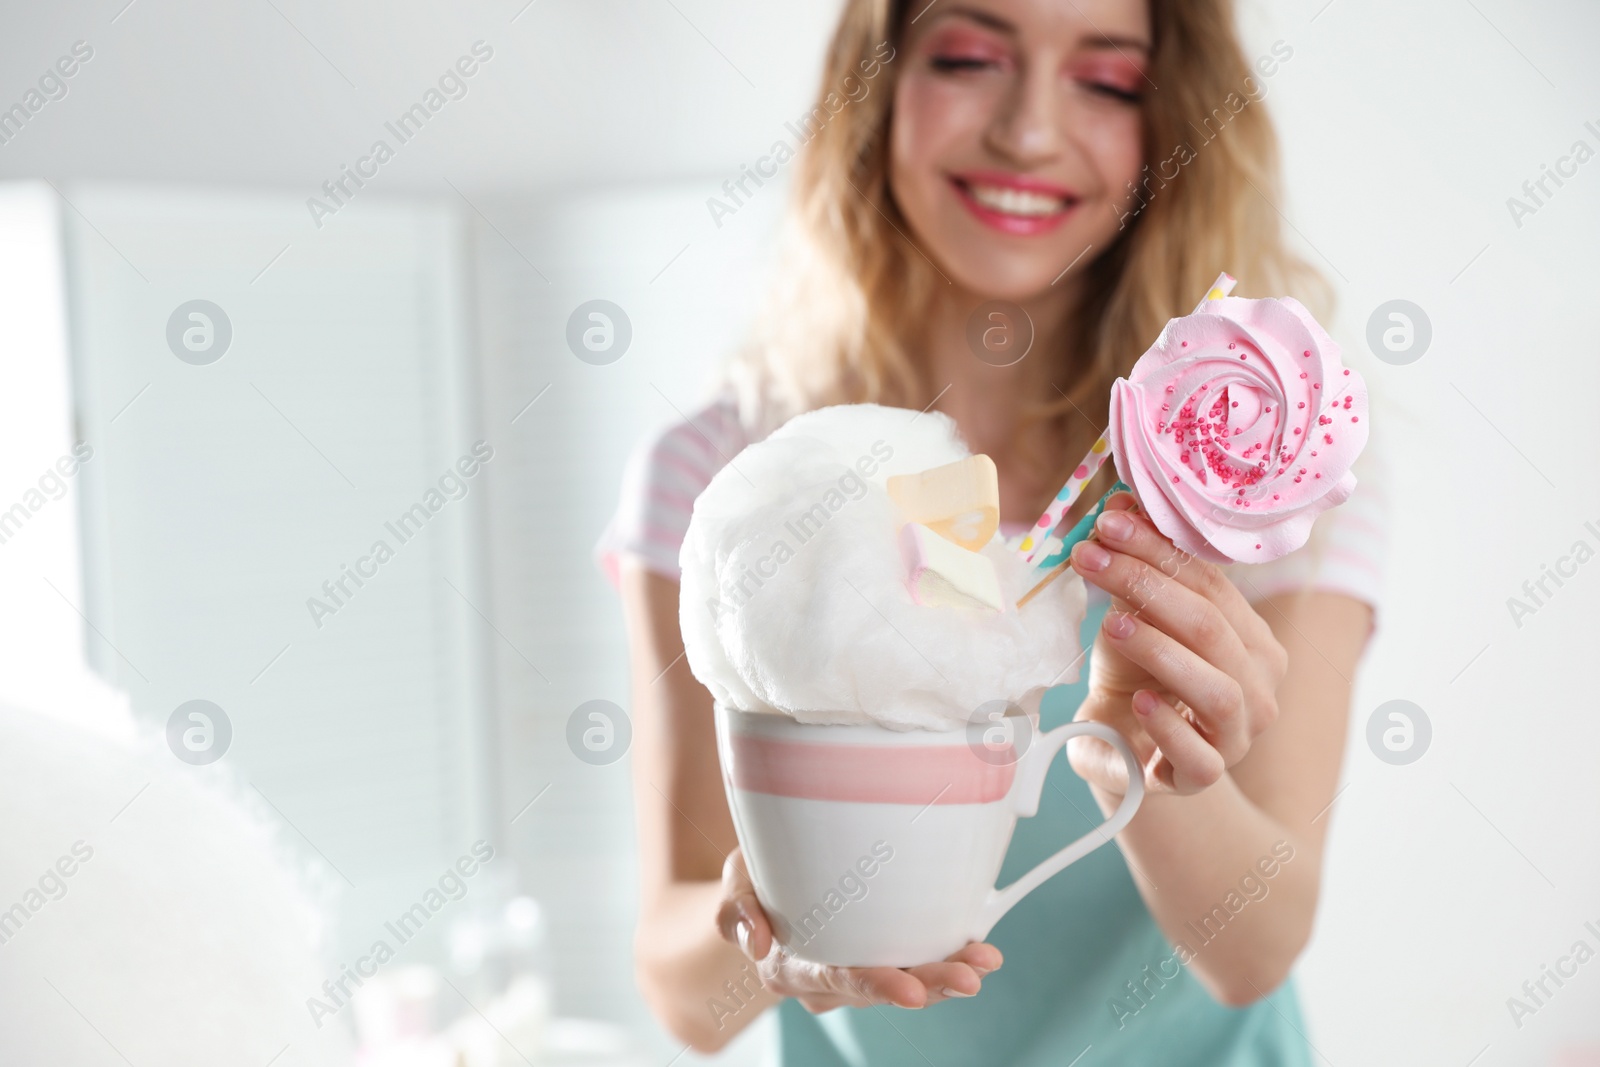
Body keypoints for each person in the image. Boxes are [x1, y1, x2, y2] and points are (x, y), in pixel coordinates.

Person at [598, 0, 1387, 1061]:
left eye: (1105, 81)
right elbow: (685, 996)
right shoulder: (723, 477)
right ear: (874, 85)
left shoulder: (1250, 480)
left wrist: (1128, 749)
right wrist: (774, 932)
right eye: (971, 57)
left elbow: (1255, 948)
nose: (1026, 130)